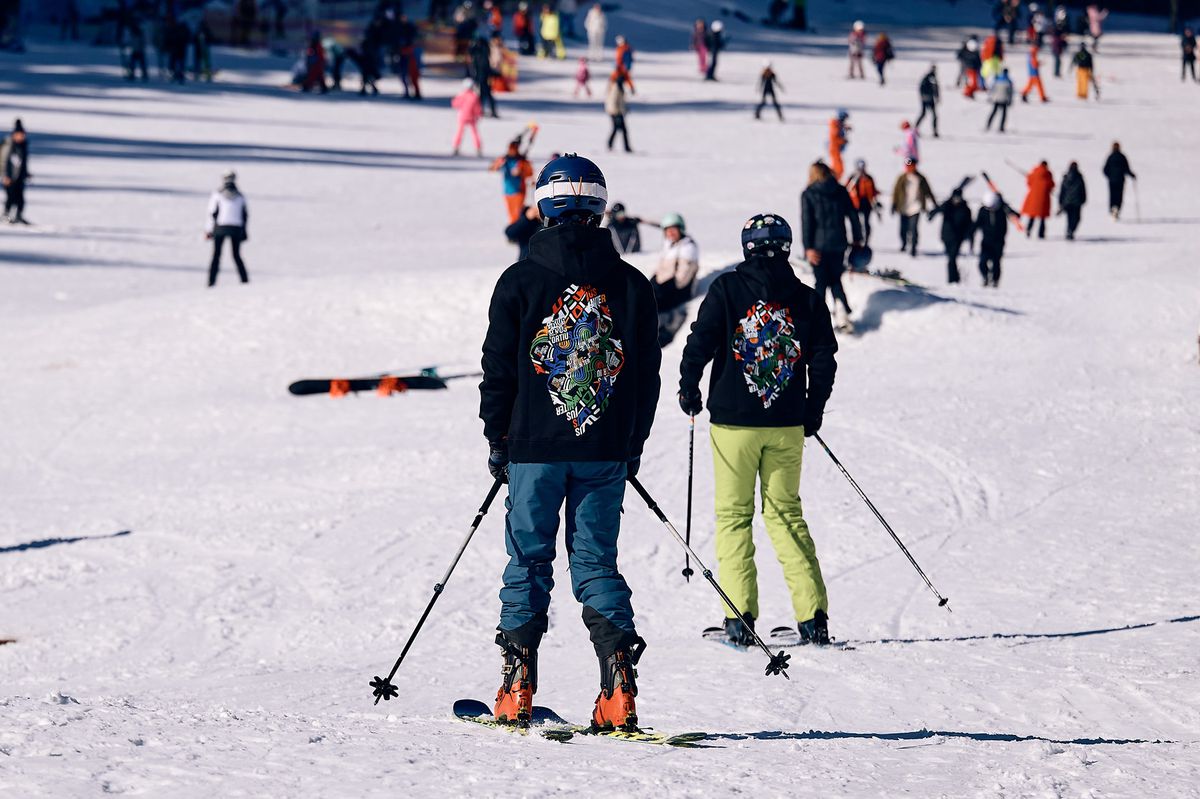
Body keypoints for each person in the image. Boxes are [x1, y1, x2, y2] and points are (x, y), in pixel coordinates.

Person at [480, 153, 661, 732]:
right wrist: (632, 443)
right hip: (603, 449)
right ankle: (618, 691)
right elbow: (645, 376)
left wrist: (497, 439)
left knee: (528, 560)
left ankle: (516, 688)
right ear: (599, 207)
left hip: (534, 449)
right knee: (596, 562)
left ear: (544, 206)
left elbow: (498, 370)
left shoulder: (519, 280)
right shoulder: (632, 284)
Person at [677, 212, 838, 648]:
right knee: (785, 514)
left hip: (733, 423)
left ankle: (739, 618)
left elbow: (700, 342)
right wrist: (813, 409)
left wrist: (689, 387)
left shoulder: (727, 289)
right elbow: (823, 358)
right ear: (786, 247)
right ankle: (813, 618)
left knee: (734, 516)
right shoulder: (806, 298)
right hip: (785, 423)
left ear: (747, 248)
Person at [801, 161, 863, 328]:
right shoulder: (840, 190)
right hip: (839, 243)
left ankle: (817, 319)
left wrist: (808, 248)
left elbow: (807, 223)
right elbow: (853, 216)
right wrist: (857, 239)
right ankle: (842, 311)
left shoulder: (809, 194)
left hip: (818, 246)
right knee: (835, 278)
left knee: (821, 282)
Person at [653, 213, 700, 347]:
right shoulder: (670, 245)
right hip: (665, 284)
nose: (670, 233)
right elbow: (661, 269)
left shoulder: (688, 247)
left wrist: (660, 288)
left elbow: (682, 279)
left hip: (680, 289)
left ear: (681, 229)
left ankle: (662, 335)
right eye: (667, 230)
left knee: (657, 303)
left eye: (673, 229)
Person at [205, 171, 249, 287]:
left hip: (220, 227)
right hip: (236, 228)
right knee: (236, 255)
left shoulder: (217, 195)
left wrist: (209, 230)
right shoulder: (240, 196)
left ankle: (211, 282)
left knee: (216, 255)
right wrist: (244, 231)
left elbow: (212, 213)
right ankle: (244, 280)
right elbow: (244, 215)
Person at [927, 187, 974, 283]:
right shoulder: (947, 205)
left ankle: (952, 280)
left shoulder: (965, 209)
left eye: (958, 198)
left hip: (958, 237)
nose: (957, 200)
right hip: (946, 236)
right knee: (951, 258)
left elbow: (969, 224)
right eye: (955, 198)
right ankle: (955, 277)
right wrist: (931, 215)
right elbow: (938, 210)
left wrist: (969, 236)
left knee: (952, 258)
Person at [891, 158, 935, 257]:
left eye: (911, 166)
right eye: (908, 166)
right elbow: (896, 191)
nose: (910, 168)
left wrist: (934, 203)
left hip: (916, 207)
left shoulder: (920, 178)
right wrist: (894, 204)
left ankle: (913, 247)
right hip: (903, 207)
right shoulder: (902, 178)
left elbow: (928, 191)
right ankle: (904, 243)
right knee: (903, 228)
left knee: (913, 229)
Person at [490, 136, 535, 223]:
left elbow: (530, 173)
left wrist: (521, 171)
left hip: (519, 191)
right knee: (511, 215)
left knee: (517, 215)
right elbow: (492, 168)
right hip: (507, 192)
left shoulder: (521, 161)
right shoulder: (504, 159)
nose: (511, 151)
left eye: (514, 149)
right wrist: (498, 165)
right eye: (510, 149)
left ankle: (516, 228)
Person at [975, 192, 1010, 287]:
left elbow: (1014, 215)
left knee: (996, 262)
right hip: (986, 241)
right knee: (982, 262)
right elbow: (977, 223)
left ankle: (995, 280)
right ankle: (985, 277)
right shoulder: (983, 211)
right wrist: (970, 232)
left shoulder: (1002, 210)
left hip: (999, 241)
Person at [844, 159, 879, 246]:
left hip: (866, 203)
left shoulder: (869, 178)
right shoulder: (852, 178)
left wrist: (876, 200)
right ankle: (857, 239)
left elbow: (873, 191)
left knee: (866, 223)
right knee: (856, 222)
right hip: (855, 204)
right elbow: (846, 189)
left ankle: (866, 239)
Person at [1, 119, 30, 224]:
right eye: (19, 135)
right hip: (9, 177)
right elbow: (3, 161)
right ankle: (6, 215)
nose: (21, 137)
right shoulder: (9, 145)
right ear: (14, 135)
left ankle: (18, 215)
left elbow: (23, 162)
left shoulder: (23, 146)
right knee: (10, 197)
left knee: (20, 198)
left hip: (20, 177)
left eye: (23, 135)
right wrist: (5, 175)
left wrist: (26, 173)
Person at [1020, 160, 1055, 239]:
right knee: (1042, 218)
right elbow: (1051, 185)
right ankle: (1041, 234)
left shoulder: (1034, 172)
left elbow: (1029, 182)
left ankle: (1028, 229)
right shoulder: (1048, 174)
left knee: (1032, 216)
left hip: (1033, 197)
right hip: (1044, 198)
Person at [1102, 141, 1135, 219]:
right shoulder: (1122, 157)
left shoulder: (1110, 157)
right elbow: (1126, 169)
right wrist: (1132, 175)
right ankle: (1117, 208)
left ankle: (1112, 208)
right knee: (1119, 195)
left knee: (1112, 195)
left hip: (1112, 180)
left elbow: (1105, 169)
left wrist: (1109, 176)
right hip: (1120, 180)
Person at [451, 78, 483, 157]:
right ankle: (478, 148)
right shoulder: (475, 96)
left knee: (459, 132)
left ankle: (456, 147)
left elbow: (455, 104)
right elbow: (477, 108)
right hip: (472, 117)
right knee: (474, 133)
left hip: (462, 116)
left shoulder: (462, 95)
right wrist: (479, 114)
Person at [605, 69, 633, 153]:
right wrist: (617, 111)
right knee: (620, 129)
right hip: (615, 112)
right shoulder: (616, 88)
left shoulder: (619, 87)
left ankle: (612, 144)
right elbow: (613, 101)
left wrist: (625, 108)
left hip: (617, 112)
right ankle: (615, 145)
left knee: (619, 129)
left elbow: (621, 101)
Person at [470, 35, 498, 118]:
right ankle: (483, 110)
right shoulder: (482, 53)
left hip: (482, 77)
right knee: (485, 95)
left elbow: (483, 67)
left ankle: (483, 110)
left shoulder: (480, 53)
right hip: (483, 77)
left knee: (485, 95)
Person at [1058, 161, 1086, 240]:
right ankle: (1071, 230)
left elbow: (1062, 190)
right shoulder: (1079, 178)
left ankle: (1069, 231)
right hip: (1077, 202)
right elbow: (1083, 190)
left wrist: (1060, 201)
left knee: (1070, 218)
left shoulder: (1066, 178)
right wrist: (1083, 199)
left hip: (1067, 202)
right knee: (1077, 218)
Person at [986, 68, 1014, 132]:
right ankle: (1001, 127)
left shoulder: (997, 79)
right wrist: (1010, 100)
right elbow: (1010, 92)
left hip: (996, 99)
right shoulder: (1009, 81)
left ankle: (988, 125)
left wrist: (990, 97)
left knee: (993, 113)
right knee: (1004, 114)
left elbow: (992, 89)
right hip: (1004, 100)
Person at [915, 65, 940, 137]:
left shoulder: (928, 77)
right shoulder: (931, 78)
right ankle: (934, 131)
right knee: (932, 115)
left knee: (924, 114)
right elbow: (935, 88)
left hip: (926, 98)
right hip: (928, 98)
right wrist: (937, 97)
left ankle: (915, 129)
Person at [828, 110, 849, 180]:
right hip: (835, 149)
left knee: (838, 167)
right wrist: (843, 141)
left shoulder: (838, 125)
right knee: (838, 168)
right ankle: (833, 180)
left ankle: (834, 180)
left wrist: (844, 128)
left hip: (836, 149)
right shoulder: (835, 126)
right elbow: (834, 139)